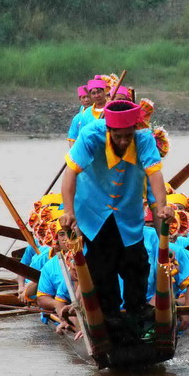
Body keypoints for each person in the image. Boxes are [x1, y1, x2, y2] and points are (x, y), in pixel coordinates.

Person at [60, 100, 174, 333]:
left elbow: (155, 177)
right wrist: (69, 212)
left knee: (137, 263)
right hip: (92, 210)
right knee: (101, 266)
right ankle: (110, 315)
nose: (123, 141)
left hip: (128, 211)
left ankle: (137, 312)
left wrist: (161, 208)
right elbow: (70, 174)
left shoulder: (144, 140)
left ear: (135, 130)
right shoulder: (91, 135)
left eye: (128, 136)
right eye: (118, 136)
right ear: (108, 130)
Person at [67, 78, 109, 147]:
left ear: (105, 92)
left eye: (99, 92)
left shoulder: (112, 108)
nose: (97, 95)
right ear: (91, 95)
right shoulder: (86, 113)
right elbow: (82, 137)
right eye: (93, 93)